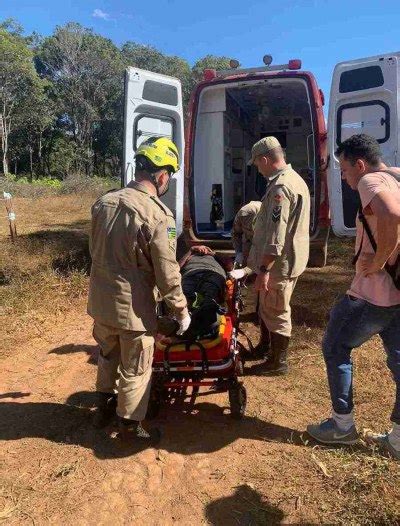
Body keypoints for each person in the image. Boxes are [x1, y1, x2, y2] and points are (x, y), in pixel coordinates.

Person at [87, 136, 190, 444]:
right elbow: (167, 272)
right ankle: (130, 428)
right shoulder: (159, 215)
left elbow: (95, 251)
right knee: (136, 368)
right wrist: (181, 311)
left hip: (101, 302)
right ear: (161, 175)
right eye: (168, 175)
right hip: (132, 308)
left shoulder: (103, 202)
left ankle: (103, 410)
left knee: (107, 355)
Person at [307, 134, 400, 460]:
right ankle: (398, 440)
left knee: (335, 346)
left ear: (359, 164)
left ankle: (342, 425)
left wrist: (376, 261)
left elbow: (391, 214)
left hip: (371, 295)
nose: (345, 179)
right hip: (398, 296)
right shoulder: (395, 176)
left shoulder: (370, 181)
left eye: (345, 171)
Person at [230, 137, 310, 375]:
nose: (258, 168)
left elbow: (276, 235)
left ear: (265, 159)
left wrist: (264, 269)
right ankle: (266, 350)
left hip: (278, 264)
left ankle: (277, 362)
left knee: (276, 311)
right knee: (268, 307)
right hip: (287, 260)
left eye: (257, 164)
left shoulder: (280, 188)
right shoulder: (293, 180)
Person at [232, 201, 262, 266]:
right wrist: (239, 252)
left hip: (263, 240)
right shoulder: (240, 216)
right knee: (246, 260)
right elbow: (236, 234)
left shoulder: (265, 214)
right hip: (248, 240)